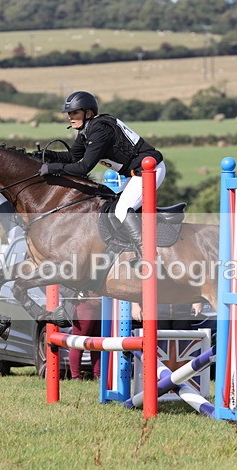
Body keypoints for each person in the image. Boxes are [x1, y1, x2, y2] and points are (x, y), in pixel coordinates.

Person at [37, 90, 166, 255]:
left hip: (150, 171)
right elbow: (71, 156)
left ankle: (147, 254)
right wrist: (44, 156)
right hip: (135, 174)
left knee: (121, 210)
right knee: (108, 206)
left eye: (75, 112)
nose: (70, 117)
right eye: (69, 113)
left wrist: (52, 168)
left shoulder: (100, 130)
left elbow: (83, 168)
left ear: (88, 113)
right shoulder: (87, 130)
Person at [68, 292, 102, 380]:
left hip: (101, 303)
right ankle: (76, 377)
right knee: (78, 342)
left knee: (97, 342)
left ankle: (98, 376)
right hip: (86, 302)